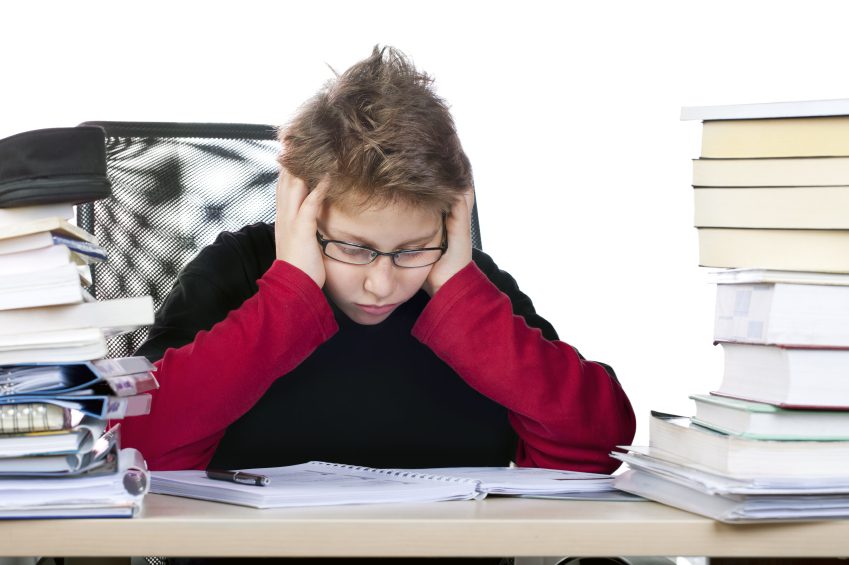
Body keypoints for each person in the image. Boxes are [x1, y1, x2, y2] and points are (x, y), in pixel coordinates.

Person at [120, 46, 636, 480]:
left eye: (412, 249)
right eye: (353, 246)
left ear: (448, 222)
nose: (382, 284)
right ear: (300, 210)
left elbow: (596, 446)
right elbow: (134, 450)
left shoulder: (469, 289)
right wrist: (288, 298)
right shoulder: (233, 270)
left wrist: (462, 297)